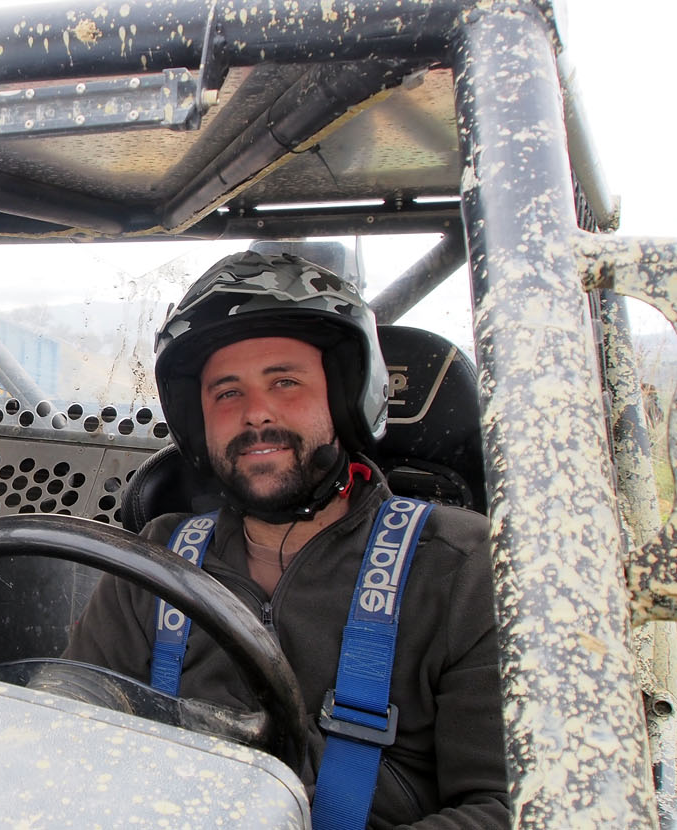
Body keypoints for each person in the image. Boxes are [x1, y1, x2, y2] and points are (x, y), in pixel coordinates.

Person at [61, 252, 509, 827]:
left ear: (347, 399)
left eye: (285, 382)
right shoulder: (156, 561)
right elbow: (67, 735)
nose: (256, 414)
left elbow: (512, 810)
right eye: (227, 393)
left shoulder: (462, 569)